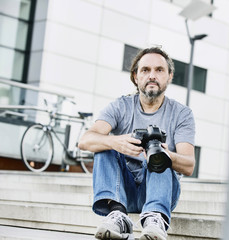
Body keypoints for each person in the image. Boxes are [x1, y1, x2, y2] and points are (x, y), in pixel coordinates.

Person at [78, 47, 196, 240]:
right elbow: (85, 141)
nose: (152, 75)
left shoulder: (182, 113)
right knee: (103, 143)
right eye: (145, 70)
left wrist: (164, 154)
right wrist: (116, 142)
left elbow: (189, 165)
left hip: (161, 191)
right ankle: (118, 215)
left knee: (160, 156)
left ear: (169, 76)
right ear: (135, 76)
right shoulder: (120, 106)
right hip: (122, 191)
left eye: (159, 70)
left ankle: (155, 218)